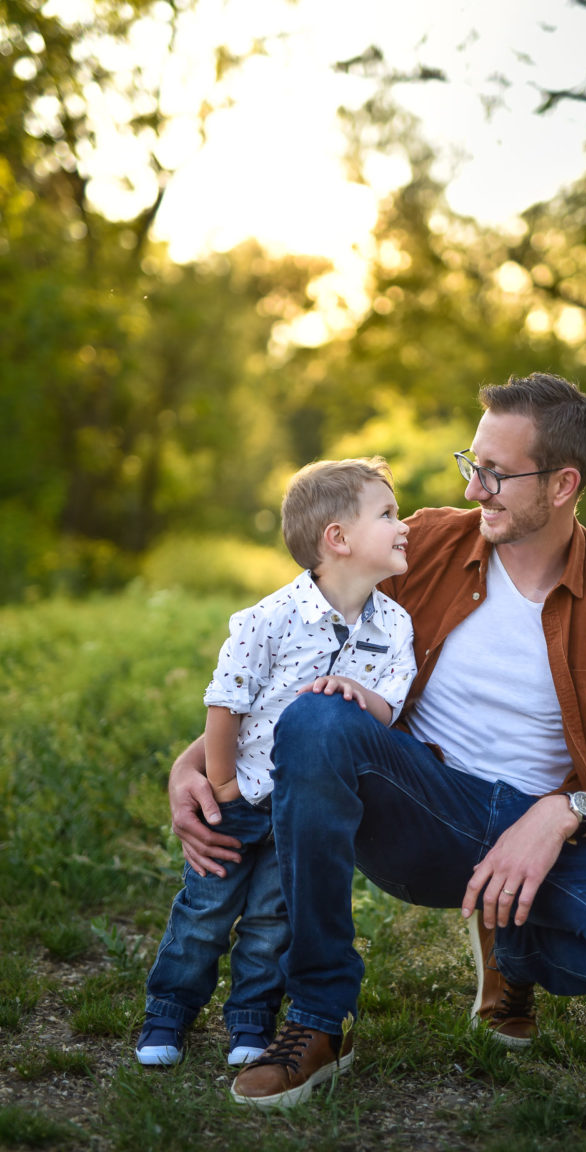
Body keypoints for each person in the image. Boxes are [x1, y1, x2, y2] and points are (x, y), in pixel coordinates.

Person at [169, 372, 586, 1110]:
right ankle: (320, 1016)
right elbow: (283, 647)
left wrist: (560, 816)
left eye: (494, 475)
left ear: (562, 484)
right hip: (415, 805)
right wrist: (196, 761)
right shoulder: (423, 542)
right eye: (472, 465)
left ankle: (512, 943)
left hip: (543, 830)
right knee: (319, 718)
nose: (473, 491)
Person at [135, 457, 415, 1067]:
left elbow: (390, 705)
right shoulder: (268, 619)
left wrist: (358, 696)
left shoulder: (394, 624)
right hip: (240, 799)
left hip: (299, 808)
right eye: (388, 514)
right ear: (337, 540)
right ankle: (168, 1015)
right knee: (205, 913)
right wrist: (223, 784)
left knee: (270, 921)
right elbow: (225, 704)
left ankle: (251, 1026)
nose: (405, 525)